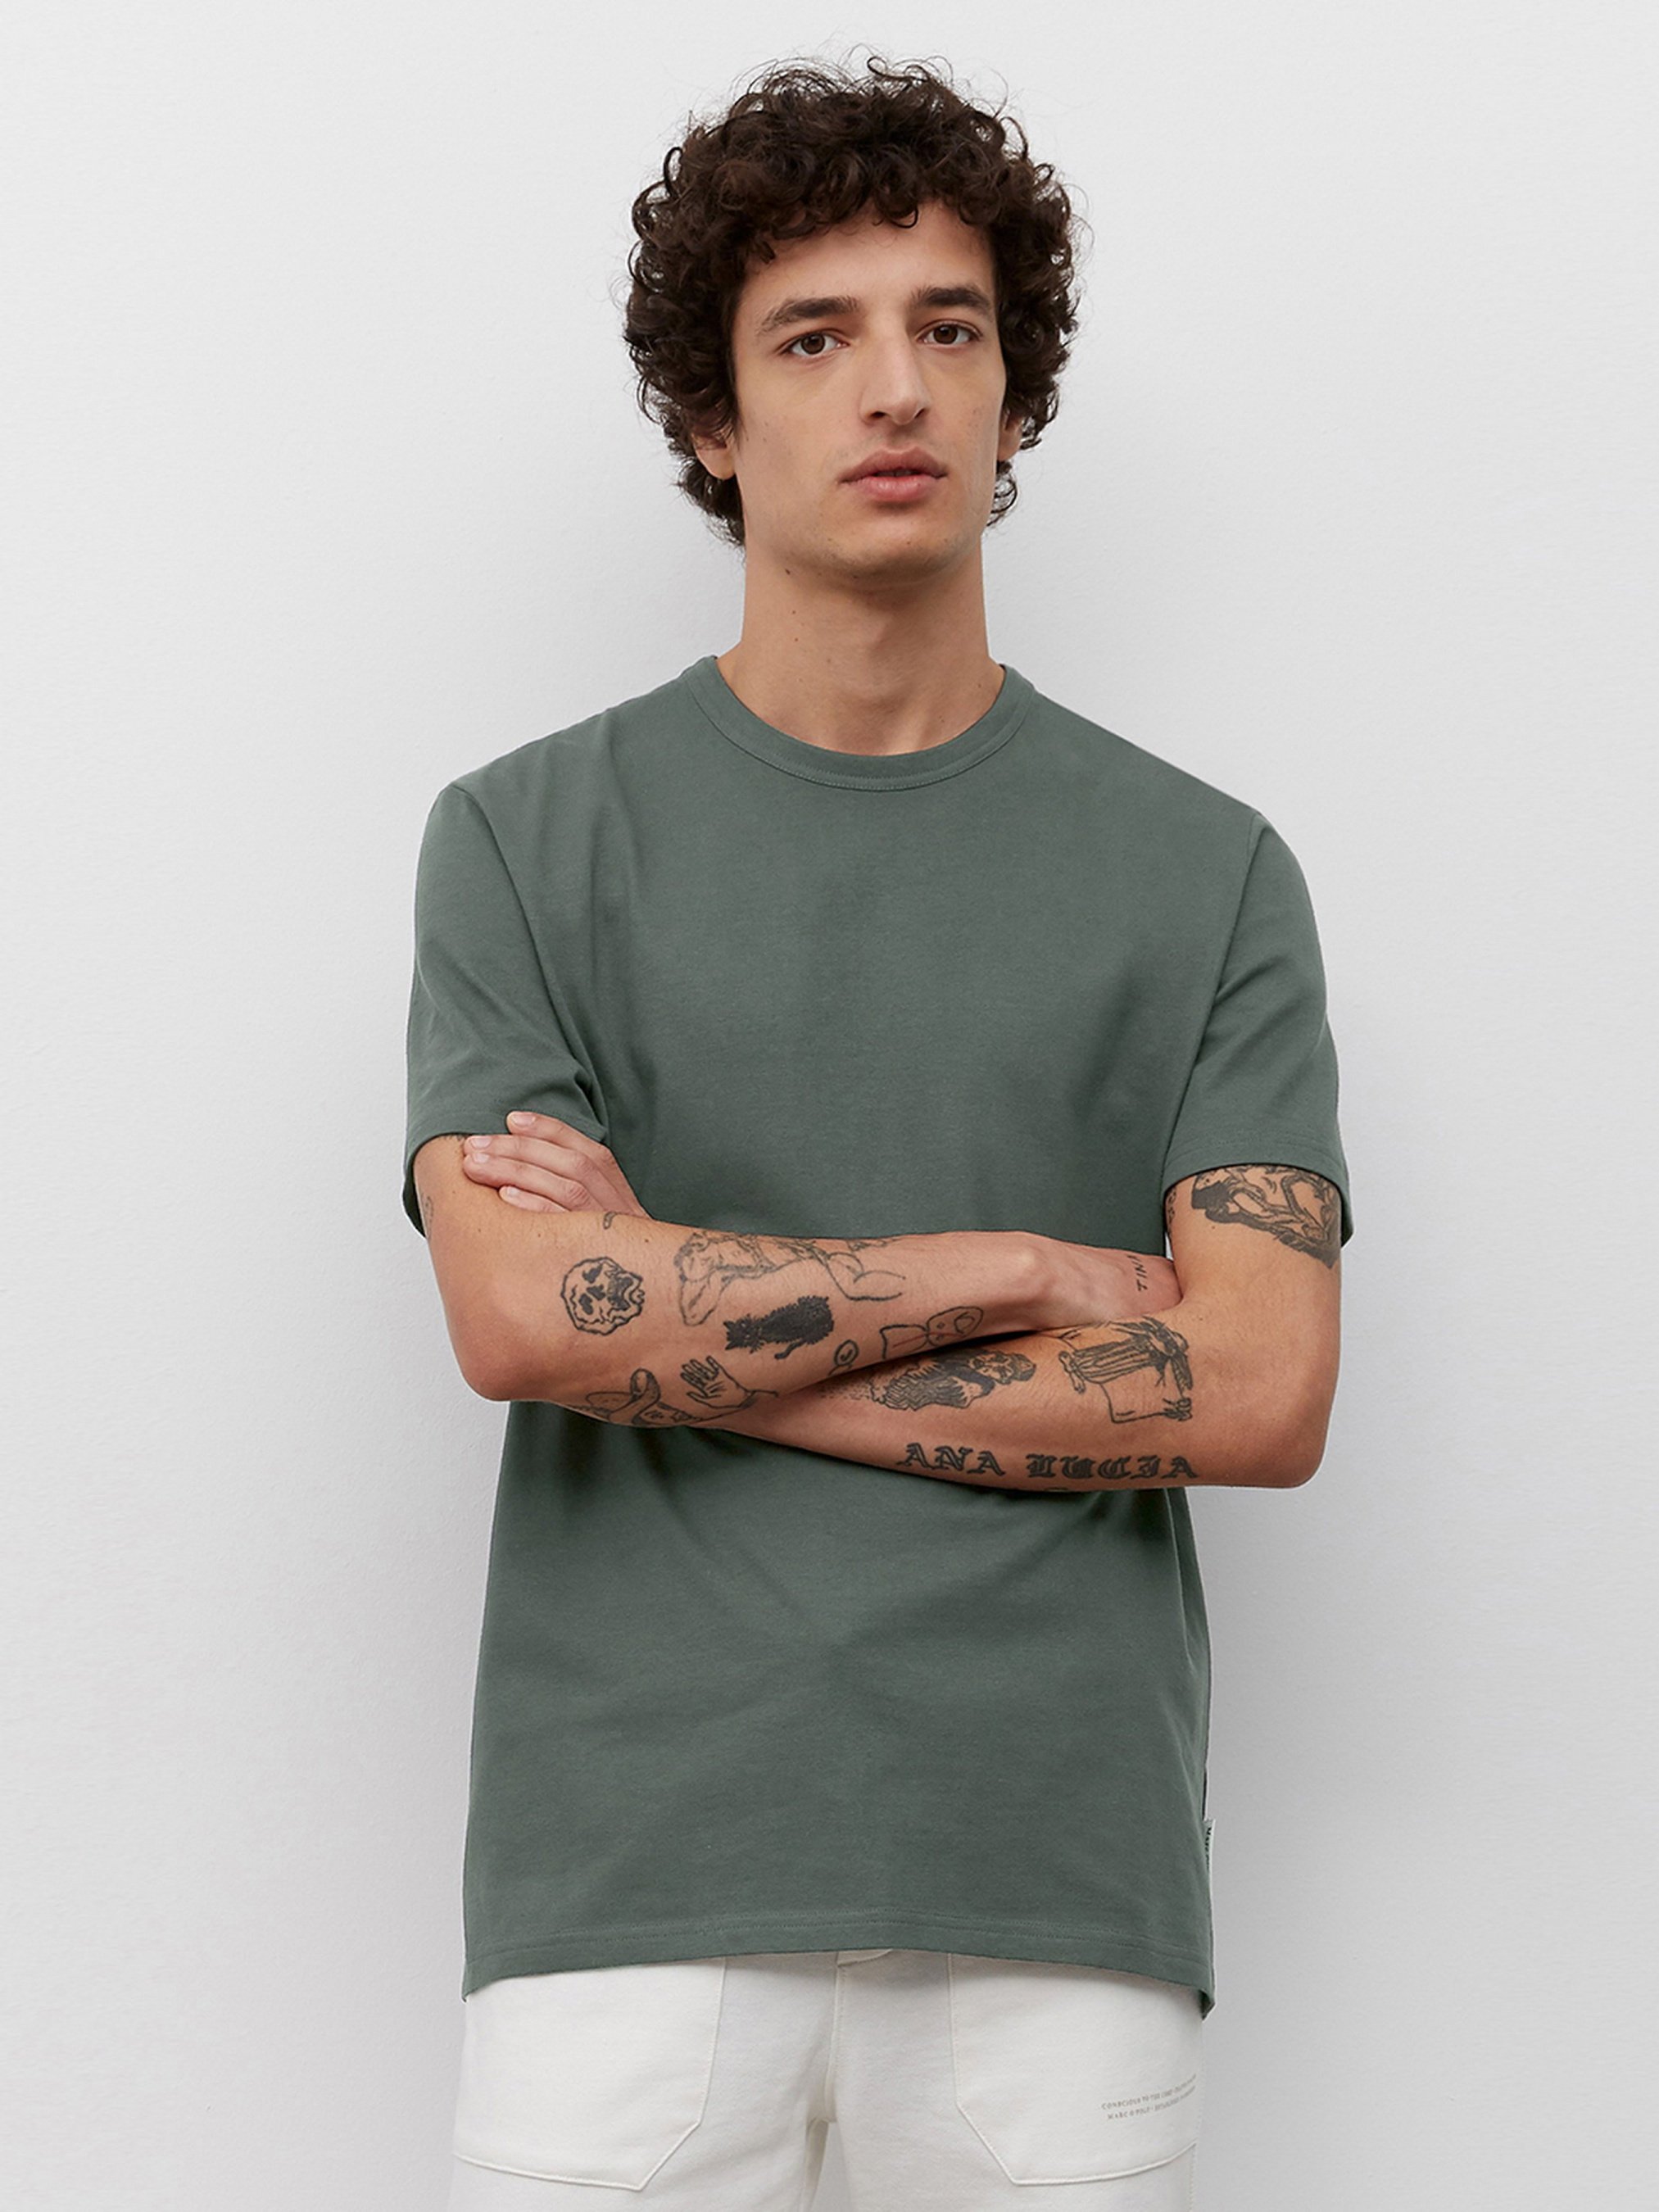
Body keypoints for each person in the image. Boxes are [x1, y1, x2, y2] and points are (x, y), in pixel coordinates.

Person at [403, 52, 1352, 2212]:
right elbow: (523, 1320)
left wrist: (685, 1323)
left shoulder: (1205, 873)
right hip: (629, 1883)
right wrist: (1016, 1269)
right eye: (814, 338)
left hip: (1051, 1885)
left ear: (1014, 398)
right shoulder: (525, 840)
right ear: (713, 420)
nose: (897, 387)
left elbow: (1261, 1387)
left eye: (949, 328)